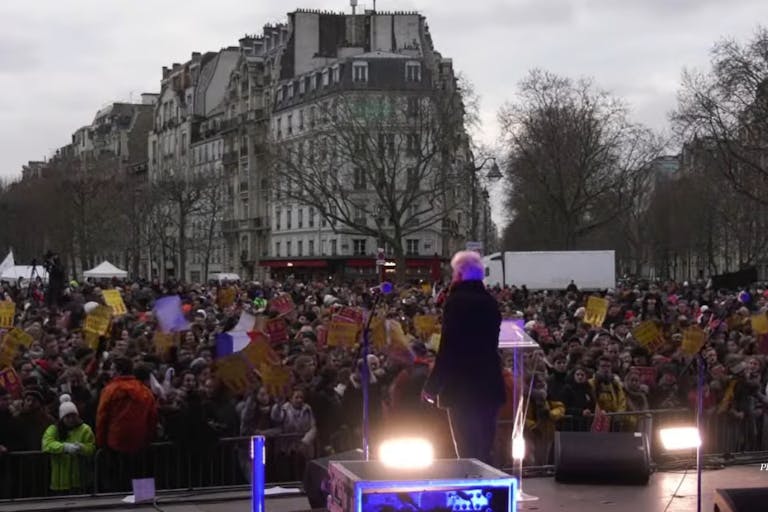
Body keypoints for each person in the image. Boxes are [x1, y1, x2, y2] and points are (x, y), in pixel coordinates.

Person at [423, 250, 505, 463]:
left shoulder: (456, 302)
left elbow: (450, 347)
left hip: (462, 387)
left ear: (459, 273)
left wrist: (432, 386)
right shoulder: (490, 302)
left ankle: (470, 490)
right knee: (485, 447)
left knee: (467, 450)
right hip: (489, 383)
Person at [95, 357, 158, 491]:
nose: (110, 373)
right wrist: (148, 438)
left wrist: (101, 443)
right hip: (140, 443)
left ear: (118, 371)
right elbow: (152, 418)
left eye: (112, 369)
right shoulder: (145, 391)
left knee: (118, 484)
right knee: (141, 476)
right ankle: (145, 503)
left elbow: (102, 418)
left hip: (114, 444)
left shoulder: (110, 390)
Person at [41, 394, 95, 493]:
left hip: (80, 478)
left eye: (73, 416)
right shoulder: (54, 429)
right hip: (60, 480)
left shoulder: (85, 429)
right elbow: (47, 444)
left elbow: (91, 447)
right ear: (62, 418)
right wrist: (64, 447)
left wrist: (82, 448)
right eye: (67, 417)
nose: (71, 419)